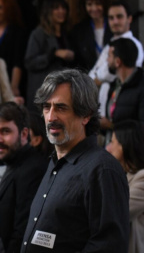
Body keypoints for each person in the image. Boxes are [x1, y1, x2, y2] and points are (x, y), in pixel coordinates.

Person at [21, 69, 129, 252]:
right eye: (47, 107)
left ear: (86, 115)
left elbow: (109, 246)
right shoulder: (55, 163)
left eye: (61, 108)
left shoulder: (103, 170)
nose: (51, 117)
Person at [0, 102, 47, 253]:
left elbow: (23, 231)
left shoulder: (34, 169)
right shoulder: (12, 164)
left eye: (5, 131)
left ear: (24, 134)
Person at [24, 0, 74, 111]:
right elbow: (29, 62)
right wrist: (53, 54)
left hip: (62, 89)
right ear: (48, 11)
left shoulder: (67, 33)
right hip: (44, 90)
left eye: (63, 8)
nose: (61, 11)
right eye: (56, 8)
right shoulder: (39, 33)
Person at [105, 120, 144, 253]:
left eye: (113, 142)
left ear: (124, 146)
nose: (108, 148)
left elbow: (118, 211)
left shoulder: (142, 178)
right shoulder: (122, 174)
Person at [101, 38, 144, 141]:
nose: (107, 60)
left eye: (109, 56)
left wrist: (111, 126)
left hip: (131, 154)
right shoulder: (115, 86)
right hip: (112, 149)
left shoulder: (141, 87)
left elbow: (141, 129)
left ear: (117, 61)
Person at [70, 0, 114, 71]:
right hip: (88, 79)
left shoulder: (113, 24)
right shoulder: (79, 30)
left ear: (104, 4)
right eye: (89, 4)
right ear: (84, 6)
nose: (94, 8)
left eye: (98, 3)